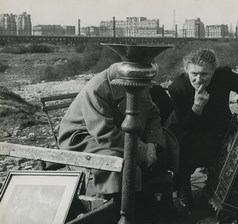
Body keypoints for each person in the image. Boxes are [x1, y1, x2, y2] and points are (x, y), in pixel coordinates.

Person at [57, 62, 179, 217]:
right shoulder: (98, 88)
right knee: (121, 164)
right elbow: (103, 132)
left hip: (120, 133)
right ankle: (120, 210)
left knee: (166, 145)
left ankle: (153, 205)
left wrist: (152, 144)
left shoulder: (137, 81)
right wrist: (142, 151)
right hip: (83, 136)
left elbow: (153, 114)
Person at [165, 49, 238, 209]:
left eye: (205, 74)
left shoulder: (223, 76)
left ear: (214, 71)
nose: (198, 79)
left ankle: (215, 187)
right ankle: (183, 189)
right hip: (184, 129)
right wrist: (197, 106)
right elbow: (186, 124)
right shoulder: (177, 88)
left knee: (225, 154)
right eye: (194, 73)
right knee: (183, 156)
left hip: (216, 127)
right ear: (186, 70)